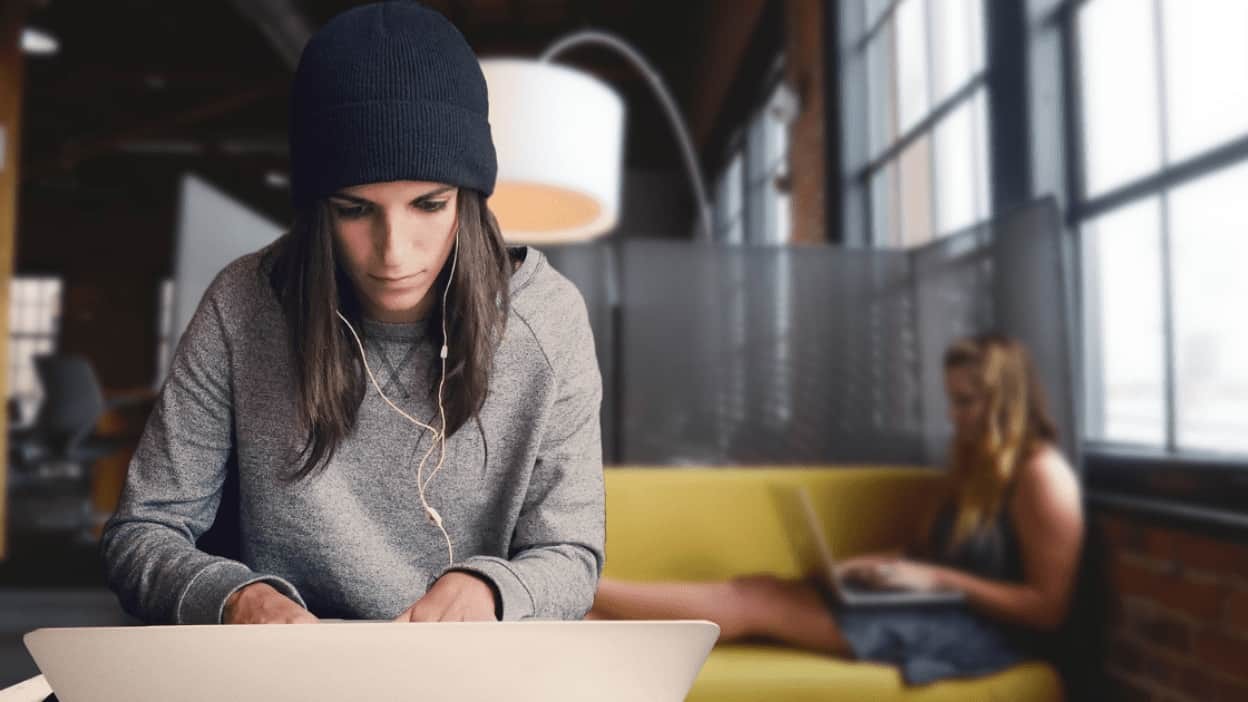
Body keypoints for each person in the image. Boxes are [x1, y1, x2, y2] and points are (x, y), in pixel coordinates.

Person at [101, 1, 605, 626]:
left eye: (428, 204)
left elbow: (573, 556)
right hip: (285, 677)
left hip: (475, 673)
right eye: (354, 210)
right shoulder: (242, 306)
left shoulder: (547, 320)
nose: (394, 253)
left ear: (469, 200)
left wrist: (494, 592)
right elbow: (142, 532)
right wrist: (236, 599)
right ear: (318, 210)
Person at [588, 334, 1083, 685]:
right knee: (761, 587)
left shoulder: (1043, 476)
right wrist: (883, 566)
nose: (954, 416)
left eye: (967, 401)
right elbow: (938, 557)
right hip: (937, 606)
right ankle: (571, 615)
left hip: (979, 635)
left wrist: (942, 582)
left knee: (757, 601)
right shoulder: (978, 468)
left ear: (1007, 400)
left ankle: (582, 587)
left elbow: (1048, 609)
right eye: (953, 400)